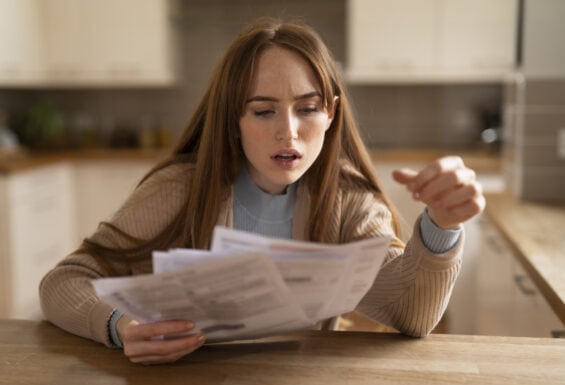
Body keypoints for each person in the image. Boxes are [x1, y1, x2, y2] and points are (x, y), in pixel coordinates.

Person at [39, 17, 485, 365]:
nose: (288, 133)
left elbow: (411, 314)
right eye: (263, 111)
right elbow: (64, 281)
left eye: (307, 108)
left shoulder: (350, 201)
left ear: (330, 113)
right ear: (235, 117)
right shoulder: (181, 189)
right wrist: (120, 326)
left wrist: (441, 227)